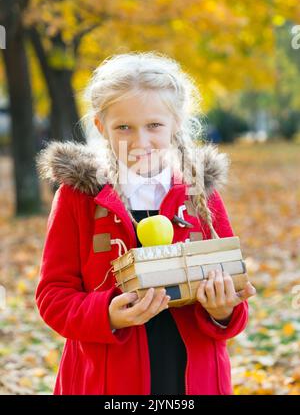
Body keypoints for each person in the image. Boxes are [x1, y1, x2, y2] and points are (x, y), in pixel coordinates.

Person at [35, 51, 256, 395]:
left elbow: (233, 295)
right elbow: (53, 296)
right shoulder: (79, 197)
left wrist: (223, 309)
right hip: (106, 381)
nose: (140, 142)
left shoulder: (200, 194)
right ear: (99, 127)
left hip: (194, 382)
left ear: (177, 122)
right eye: (124, 127)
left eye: (154, 125)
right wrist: (106, 314)